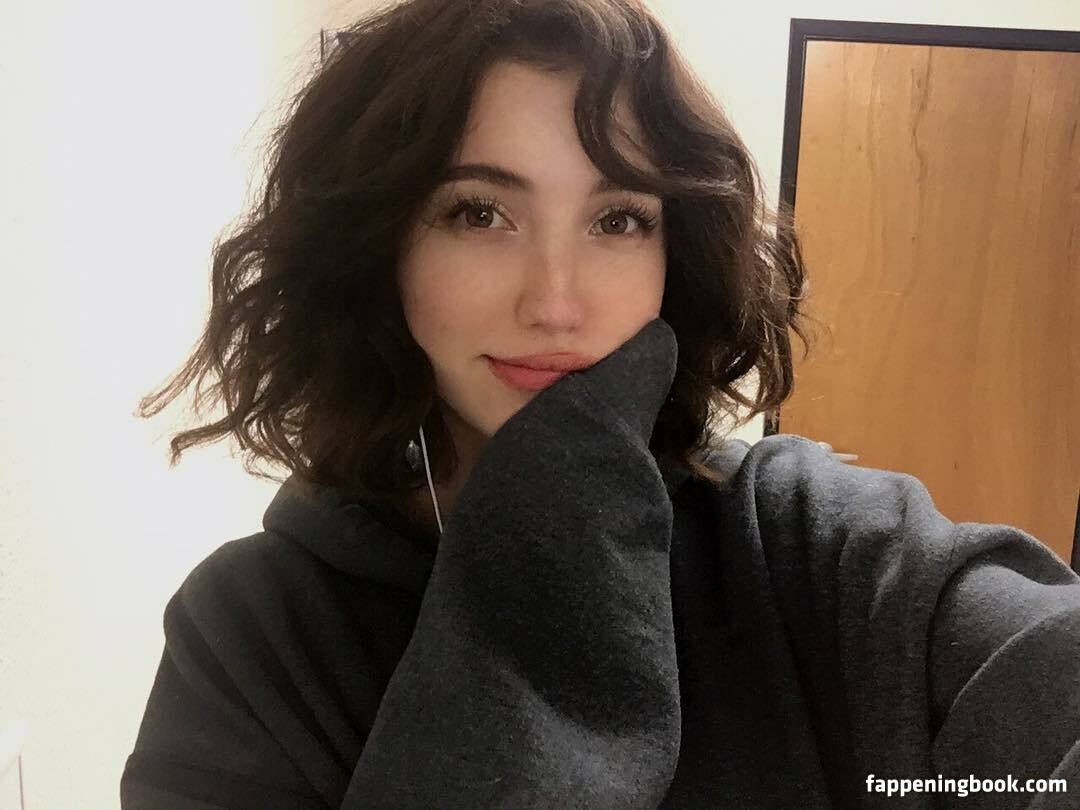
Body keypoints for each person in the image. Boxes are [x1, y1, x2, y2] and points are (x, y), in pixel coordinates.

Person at [121, 0, 1080, 807]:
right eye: (479, 213)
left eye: (618, 219)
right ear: (380, 248)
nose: (556, 302)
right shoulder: (254, 635)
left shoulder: (802, 541)